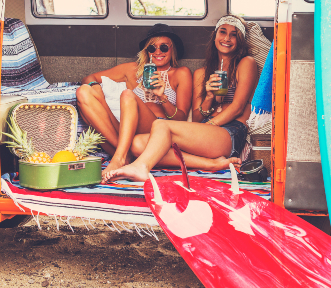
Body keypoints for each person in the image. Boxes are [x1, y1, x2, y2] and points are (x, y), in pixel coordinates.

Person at [102, 15, 258, 183]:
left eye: (233, 34)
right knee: (137, 144)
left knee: (161, 124)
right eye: (223, 32)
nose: (227, 38)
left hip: (231, 132)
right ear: (215, 36)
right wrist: (209, 98)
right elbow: (198, 117)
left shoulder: (246, 63)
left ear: (240, 40)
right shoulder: (201, 74)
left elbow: (238, 107)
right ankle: (212, 164)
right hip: (206, 133)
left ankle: (141, 167)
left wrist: (209, 125)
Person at [76, 24, 192, 175]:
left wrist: (162, 97)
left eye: (164, 47)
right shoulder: (133, 70)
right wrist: (95, 86)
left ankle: (120, 157)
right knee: (83, 92)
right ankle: (125, 154)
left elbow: (181, 119)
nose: (158, 52)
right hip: (124, 134)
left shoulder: (181, 73)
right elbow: (88, 78)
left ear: (173, 49)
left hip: (157, 131)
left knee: (128, 95)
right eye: (152, 48)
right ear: (147, 51)